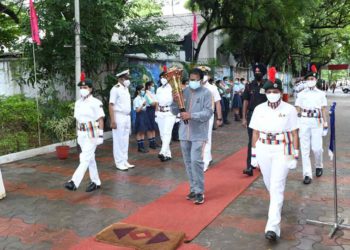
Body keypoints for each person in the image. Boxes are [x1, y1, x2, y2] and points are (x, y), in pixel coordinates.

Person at [249, 67, 299, 241]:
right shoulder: (259, 109)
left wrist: (295, 154)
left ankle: (272, 227)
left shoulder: (290, 109)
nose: (272, 94)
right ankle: (276, 204)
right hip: (263, 148)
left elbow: (294, 133)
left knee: (277, 186)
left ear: (280, 92)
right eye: (269, 91)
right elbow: (255, 133)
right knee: (270, 183)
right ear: (265, 92)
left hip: (282, 149)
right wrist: (253, 155)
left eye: (275, 91)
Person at [176, 68, 213, 204]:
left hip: (199, 133)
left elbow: (208, 112)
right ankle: (193, 189)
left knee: (196, 162)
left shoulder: (206, 93)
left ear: (201, 80)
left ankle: (199, 192)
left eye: (195, 79)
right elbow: (175, 110)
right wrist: (174, 101)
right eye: (191, 79)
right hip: (184, 133)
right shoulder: (183, 92)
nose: (192, 82)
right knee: (188, 163)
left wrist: (191, 115)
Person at [64, 75, 105, 192]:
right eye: (81, 87)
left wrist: (101, 135)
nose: (83, 89)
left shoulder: (96, 102)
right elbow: (77, 119)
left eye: (85, 87)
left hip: (92, 132)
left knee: (85, 158)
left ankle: (74, 182)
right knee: (90, 158)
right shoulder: (78, 103)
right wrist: (77, 134)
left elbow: (100, 119)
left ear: (91, 89)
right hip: (81, 133)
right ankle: (96, 181)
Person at [295, 65, 328, 184]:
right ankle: (307, 174)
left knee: (317, 148)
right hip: (304, 121)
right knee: (304, 149)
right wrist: (297, 119)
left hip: (317, 121)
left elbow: (323, 109)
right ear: (306, 81)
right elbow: (297, 107)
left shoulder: (321, 93)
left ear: (316, 80)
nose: (310, 81)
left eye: (312, 79)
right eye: (308, 79)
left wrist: (325, 123)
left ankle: (319, 165)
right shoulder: (301, 93)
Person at [242, 63, 268, 176]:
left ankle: (263, 164)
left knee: (263, 139)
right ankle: (249, 166)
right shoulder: (249, 85)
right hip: (252, 115)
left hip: (265, 115)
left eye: (259, 71)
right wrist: (243, 117)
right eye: (255, 71)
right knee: (251, 140)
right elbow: (245, 101)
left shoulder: (267, 85)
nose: (257, 73)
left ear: (263, 73)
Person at [196, 66, 222, 172]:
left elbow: (217, 103)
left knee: (206, 138)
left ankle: (204, 162)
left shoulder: (212, 88)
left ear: (208, 75)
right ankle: (208, 157)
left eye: (205, 73)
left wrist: (219, 117)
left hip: (207, 116)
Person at [109, 69, 135, 171]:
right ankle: (119, 162)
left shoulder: (125, 89)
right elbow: (111, 105)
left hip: (126, 116)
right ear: (121, 78)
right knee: (118, 140)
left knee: (125, 140)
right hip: (118, 116)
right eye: (127, 78)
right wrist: (112, 120)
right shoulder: (115, 89)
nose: (128, 80)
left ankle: (124, 160)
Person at [155, 72, 176, 162]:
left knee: (167, 132)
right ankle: (168, 154)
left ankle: (163, 151)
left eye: (164, 77)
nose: (163, 78)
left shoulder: (173, 88)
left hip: (169, 112)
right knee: (162, 134)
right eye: (161, 77)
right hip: (160, 112)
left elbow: (176, 101)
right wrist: (156, 113)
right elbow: (156, 102)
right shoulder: (158, 89)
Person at [133, 85, 149, 153]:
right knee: (139, 131)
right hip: (140, 115)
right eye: (142, 90)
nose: (143, 91)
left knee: (143, 131)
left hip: (144, 114)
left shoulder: (143, 98)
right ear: (138, 91)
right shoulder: (136, 99)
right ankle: (140, 147)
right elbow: (137, 110)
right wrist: (142, 105)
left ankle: (142, 146)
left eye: (143, 90)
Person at [144, 81, 159, 149]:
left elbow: (157, 102)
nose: (153, 87)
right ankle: (151, 143)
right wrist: (156, 103)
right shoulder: (146, 94)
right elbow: (152, 103)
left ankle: (154, 141)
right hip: (149, 110)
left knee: (153, 127)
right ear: (148, 86)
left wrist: (156, 103)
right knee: (150, 127)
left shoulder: (153, 93)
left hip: (153, 110)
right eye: (152, 86)